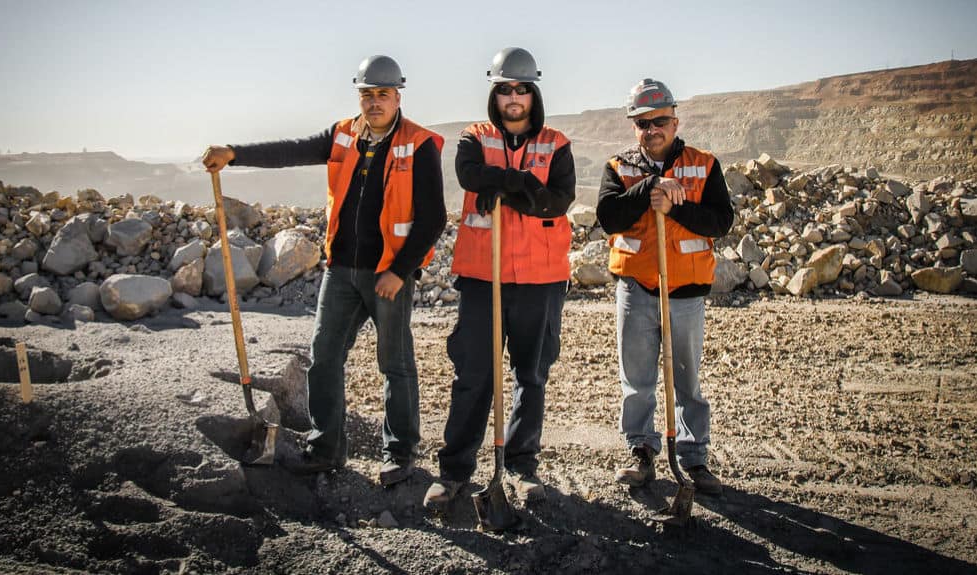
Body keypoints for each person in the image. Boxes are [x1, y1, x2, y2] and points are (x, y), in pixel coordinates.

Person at [202, 55, 446, 486]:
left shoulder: (420, 143)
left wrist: (400, 271)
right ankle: (325, 448)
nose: (374, 103)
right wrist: (234, 154)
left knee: (396, 364)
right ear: (359, 96)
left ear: (397, 97)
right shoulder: (342, 135)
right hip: (342, 271)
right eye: (367, 94)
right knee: (324, 359)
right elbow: (290, 151)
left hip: (388, 273)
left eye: (382, 95)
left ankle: (400, 453)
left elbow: (433, 219)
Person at [423, 47, 576, 509]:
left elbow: (558, 200)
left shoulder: (557, 142)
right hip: (481, 275)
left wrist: (509, 188)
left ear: (534, 93)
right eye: (506, 88)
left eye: (522, 89)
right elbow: (469, 175)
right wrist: (524, 184)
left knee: (531, 374)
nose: (514, 96)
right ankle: (454, 471)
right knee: (474, 374)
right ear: (496, 92)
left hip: (541, 278)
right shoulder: (475, 136)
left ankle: (521, 467)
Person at [595, 78, 734, 496]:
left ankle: (694, 458)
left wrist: (677, 205)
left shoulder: (704, 164)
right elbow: (609, 218)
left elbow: (720, 222)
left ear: (675, 122)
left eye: (660, 121)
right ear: (633, 126)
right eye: (642, 123)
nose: (651, 129)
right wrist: (648, 190)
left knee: (688, 382)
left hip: (686, 292)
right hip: (637, 289)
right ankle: (641, 451)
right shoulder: (617, 167)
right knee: (637, 379)